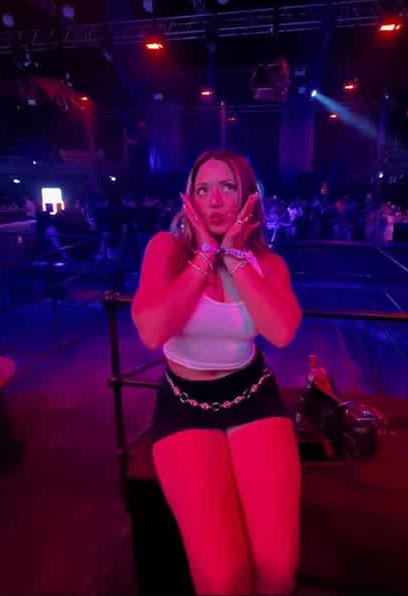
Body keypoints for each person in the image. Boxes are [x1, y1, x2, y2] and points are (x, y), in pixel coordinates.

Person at [131, 149, 302, 595]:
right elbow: (152, 331)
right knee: (222, 578)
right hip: (185, 405)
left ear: (248, 197)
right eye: (203, 189)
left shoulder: (268, 263)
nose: (216, 200)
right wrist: (205, 255)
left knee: (278, 567)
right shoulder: (165, 249)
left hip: (253, 396)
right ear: (190, 200)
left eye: (228, 187)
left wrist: (235, 257)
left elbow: (281, 331)